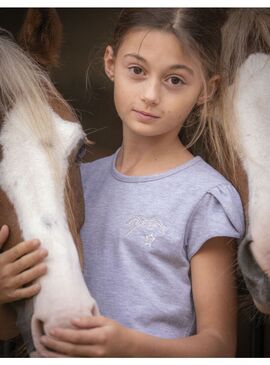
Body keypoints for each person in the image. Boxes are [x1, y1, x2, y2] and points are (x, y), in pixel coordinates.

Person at [0, 9, 246, 357]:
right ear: (110, 63)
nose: (150, 95)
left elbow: (219, 348)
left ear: (208, 89)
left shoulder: (205, 196)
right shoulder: (74, 184)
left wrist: (124, 345)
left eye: (175, 80)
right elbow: (15, 328)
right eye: (137, 70)